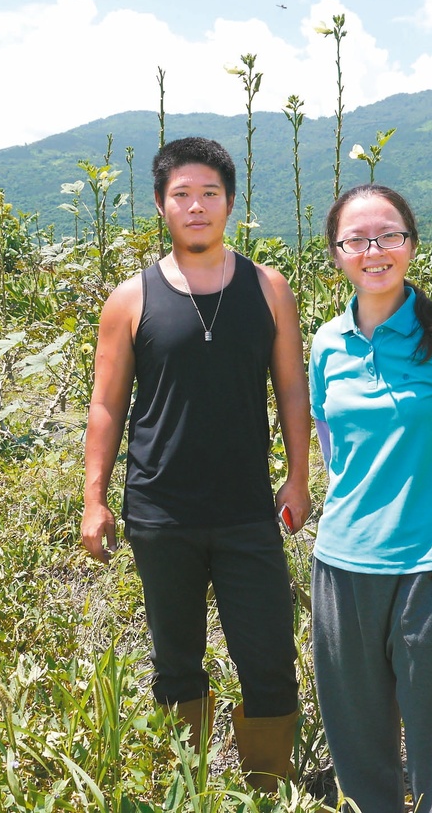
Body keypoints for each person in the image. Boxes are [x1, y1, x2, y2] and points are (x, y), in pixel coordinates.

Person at [80, 137, 310, 790]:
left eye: (210, 193)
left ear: (230, 203)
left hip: (246, 511)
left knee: (269, 662)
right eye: (182, 194)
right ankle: (183, 791)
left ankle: (266, 792)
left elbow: (292, 388)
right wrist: (94, 498)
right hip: (161, 511)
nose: (197, 205)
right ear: (160, 205)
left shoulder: (269, 289)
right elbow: (105, 405)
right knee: (176, 663)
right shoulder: (131, 299)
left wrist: (298, 474)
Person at [309, 184, 432, 813]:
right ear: (337, 253)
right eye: (357, 239)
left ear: (411, 245)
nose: (375, 250)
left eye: (389, 235)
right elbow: (334, 451)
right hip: (342, 565)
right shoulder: (326, 343)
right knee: (357, 742)